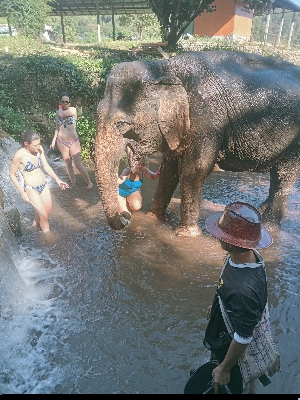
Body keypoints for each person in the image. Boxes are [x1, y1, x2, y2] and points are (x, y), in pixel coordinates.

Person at [203, 201, 279, 394]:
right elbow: (225, 284)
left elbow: (243, 337)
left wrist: (225, 368)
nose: (217, 236)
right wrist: (218, 304)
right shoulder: (246, 257)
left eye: (221, 234)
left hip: (230, 347)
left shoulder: (244, 290)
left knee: (230, 385)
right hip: (225, 324)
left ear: (229, 242)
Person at [9, 130, 69, 233]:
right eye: (35, 145)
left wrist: (57, 180)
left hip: (44, 185)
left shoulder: (39, 150)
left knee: (48, 211)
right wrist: (21, 192)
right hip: (31, 189)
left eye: (39, 144)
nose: (38, 147)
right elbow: (11, 174)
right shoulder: (19, 155)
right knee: (44, 216)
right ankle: (48, 237)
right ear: (26, 144)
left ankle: (34, 225)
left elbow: (46, 166)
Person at [50, 92, 93, 189]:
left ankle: (89, 182)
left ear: (69, 102)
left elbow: (61, 113)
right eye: (63, 102)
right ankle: (73, 183)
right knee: (68, 163)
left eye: (67, 102)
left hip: (73, 140)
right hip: (61, 141)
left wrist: (60, 107)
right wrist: (53, 141)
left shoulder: (72, 110)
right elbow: (57, 128)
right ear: (60, 102)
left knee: (78, 164)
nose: (65, 104)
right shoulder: (58, 113)